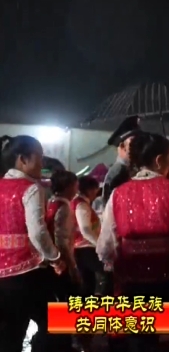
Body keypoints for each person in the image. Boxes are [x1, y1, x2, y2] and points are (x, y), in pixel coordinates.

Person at [97, 132, 169, 352]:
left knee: (141, 340)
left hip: (131, 280)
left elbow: (106, 241)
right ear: (159, 160)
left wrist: (111, 266)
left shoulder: (118, 193)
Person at [0, 135, 71, 351]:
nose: (42, 162)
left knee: (9, 334)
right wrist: (56, 258)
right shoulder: (30, 188)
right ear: (23, 159)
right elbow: (38, 232)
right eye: (39, 156)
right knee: (55, 322)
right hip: (26, 273)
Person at [46, 171, 82, 292]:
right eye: (75, 186)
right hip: (62, 261)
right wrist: (73, 266)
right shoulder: (64, 207)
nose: (77, 190)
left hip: (51, 258)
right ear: (68, 187)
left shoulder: (50, 203)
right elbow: (62, 241)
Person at [72, 176, 103, 296]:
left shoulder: (79, 203)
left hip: (80, 248)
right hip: (85, 248)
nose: (96, 192)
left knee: (88, 282)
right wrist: (99, 245)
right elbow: (85, 230)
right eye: (95, 189)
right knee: (104, 274)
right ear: (89, 190)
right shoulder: (81, 205)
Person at [102, 115, 141, 204]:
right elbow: (110, 205)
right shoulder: (117, 172)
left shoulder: (135, 168)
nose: (138, 147)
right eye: (134, 143)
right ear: (122, 146)